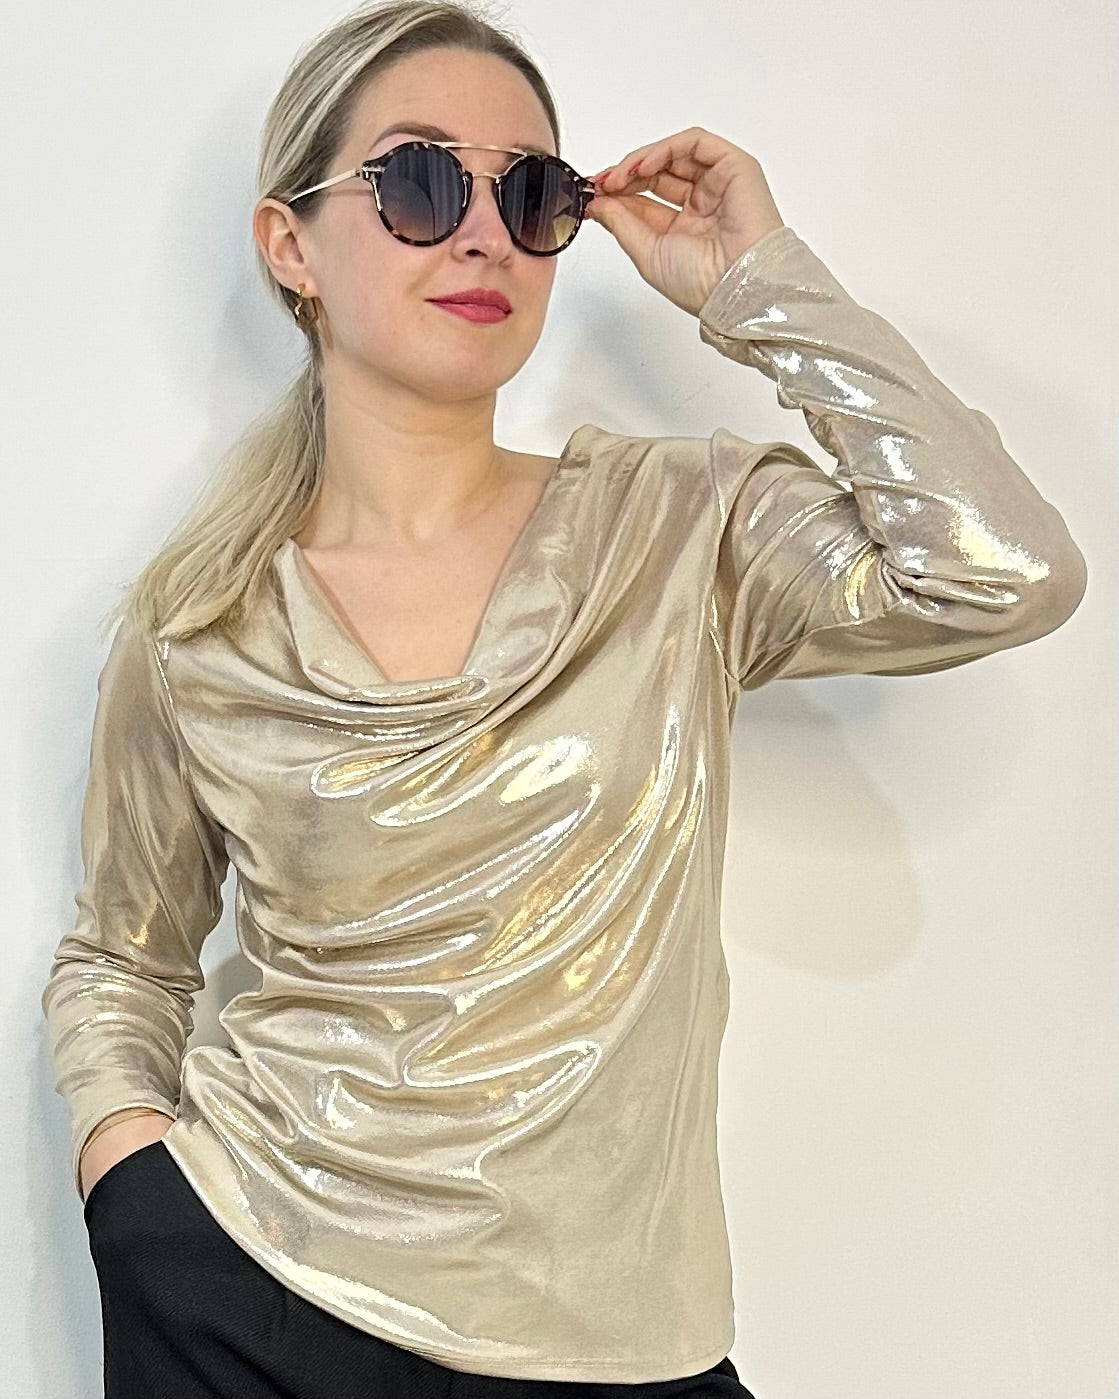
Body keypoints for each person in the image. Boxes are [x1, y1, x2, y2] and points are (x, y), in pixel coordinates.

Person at [40, 2, 1087, 1397]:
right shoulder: (202, 627)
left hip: (624, 1342)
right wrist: (129, 1180)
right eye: (420, 182)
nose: (483, 234)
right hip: (250, 1298)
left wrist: (757, 283)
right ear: (290, 244)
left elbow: (1001, 572)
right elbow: (125, 956)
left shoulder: (681, 528)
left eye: (532, 195)